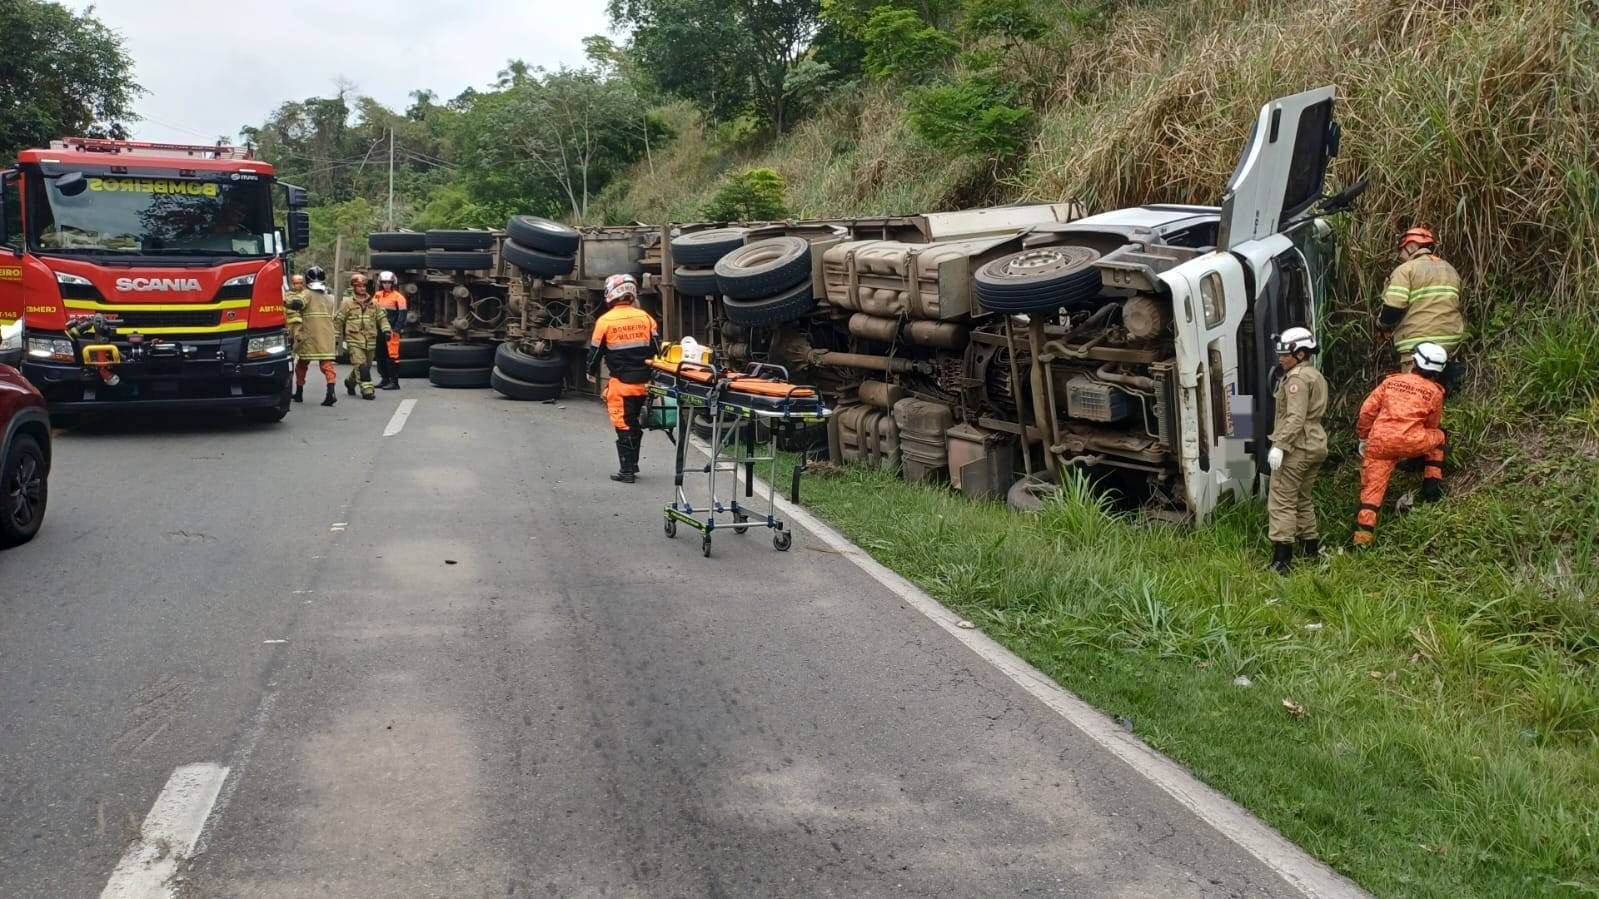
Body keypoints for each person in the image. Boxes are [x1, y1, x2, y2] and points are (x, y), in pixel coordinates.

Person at [1352, 343, 1450, 548]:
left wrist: (1363, 437)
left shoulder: (1391, 383)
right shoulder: (1435, 393)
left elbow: (1367, 411)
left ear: (1415, 363)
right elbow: (1431, 425)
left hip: (1380, 443)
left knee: (1372, 492)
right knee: (1439, 437)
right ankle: (1432, 487)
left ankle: (1361, 541)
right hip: (1413, 442)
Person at [1264, 327, 1328, 574]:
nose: (1280, 357)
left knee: (1281, 499)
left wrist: (1280, 446)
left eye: (1285, 353)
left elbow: (1295, 418)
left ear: (1301, 353)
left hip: (1297, 446)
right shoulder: (1314, 375)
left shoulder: (1297, 380)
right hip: (1315, 444)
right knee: (1303, 498)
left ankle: (1282, 561)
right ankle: (1311, 551)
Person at [586, 274, 660, 483]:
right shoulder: (646, 318)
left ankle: (626, 471)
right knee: (634, 424)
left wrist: (589, 372)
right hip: (645, 384)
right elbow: (656, 350)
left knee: (624, 425)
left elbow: (595, 352)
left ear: (611, 294)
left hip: (622, 385)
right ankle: (632, 465)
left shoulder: (605, 321)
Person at [1378, 227, 1464, 383]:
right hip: (1450, 341)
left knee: (1414, 391)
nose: (1400, 256)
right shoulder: (1449, 269)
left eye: (1401, 251)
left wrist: (1382, 326)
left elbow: (1393, 308)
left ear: (1411, 247)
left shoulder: (1406, 270)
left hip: (1417, 342)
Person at [334, 274, 392, 400]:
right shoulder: (347, 303)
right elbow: (338, 321)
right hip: (354, 340)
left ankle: (350, 382)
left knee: (365, 366)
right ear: (354, 287)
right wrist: (335, 339)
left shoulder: (374, 303)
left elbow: (382, 318)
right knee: (362, 366)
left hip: (370, 341)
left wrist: (386, 330)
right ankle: (367, 391)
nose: (362, 288)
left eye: (364, 286)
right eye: (359, 286)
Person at [292, 278, 340, 407]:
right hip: (326, 335)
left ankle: (299, 393)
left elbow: (298, 303)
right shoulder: (328, 297)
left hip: (310, 335)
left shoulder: (307, 293)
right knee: (327, 366)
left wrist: (286, 301)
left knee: (301, 365)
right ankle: (331, 393)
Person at [373, 270, 407, 390]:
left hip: (392, 331)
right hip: (378, 331)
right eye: (384, 282)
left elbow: (402, 316)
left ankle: (394, 382)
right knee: (379, 355)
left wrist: (396, 330)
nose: (386, 284)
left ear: (393, 283)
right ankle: (384, 379)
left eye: (389, 282)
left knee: (392, 357)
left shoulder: (399, 297)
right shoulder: (377, 295)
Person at [283, 272, 311, 349]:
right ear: (293, 284)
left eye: (301, 283)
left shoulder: (306, 294)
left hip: (301, 324)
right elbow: (284, 309)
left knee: (299, 341)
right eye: (296, 283)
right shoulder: (287, 295)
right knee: (289, 343)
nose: (299, 285)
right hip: (289, 325)